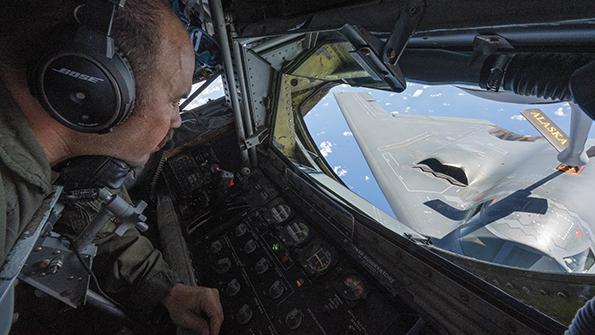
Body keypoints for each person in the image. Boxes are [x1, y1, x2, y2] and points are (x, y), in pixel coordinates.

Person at [0, 0, 223, 334]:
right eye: (175, 99)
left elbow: (82, 205)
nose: (178, 120)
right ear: (95, 88)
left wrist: (164, 288)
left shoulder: (45, 160)